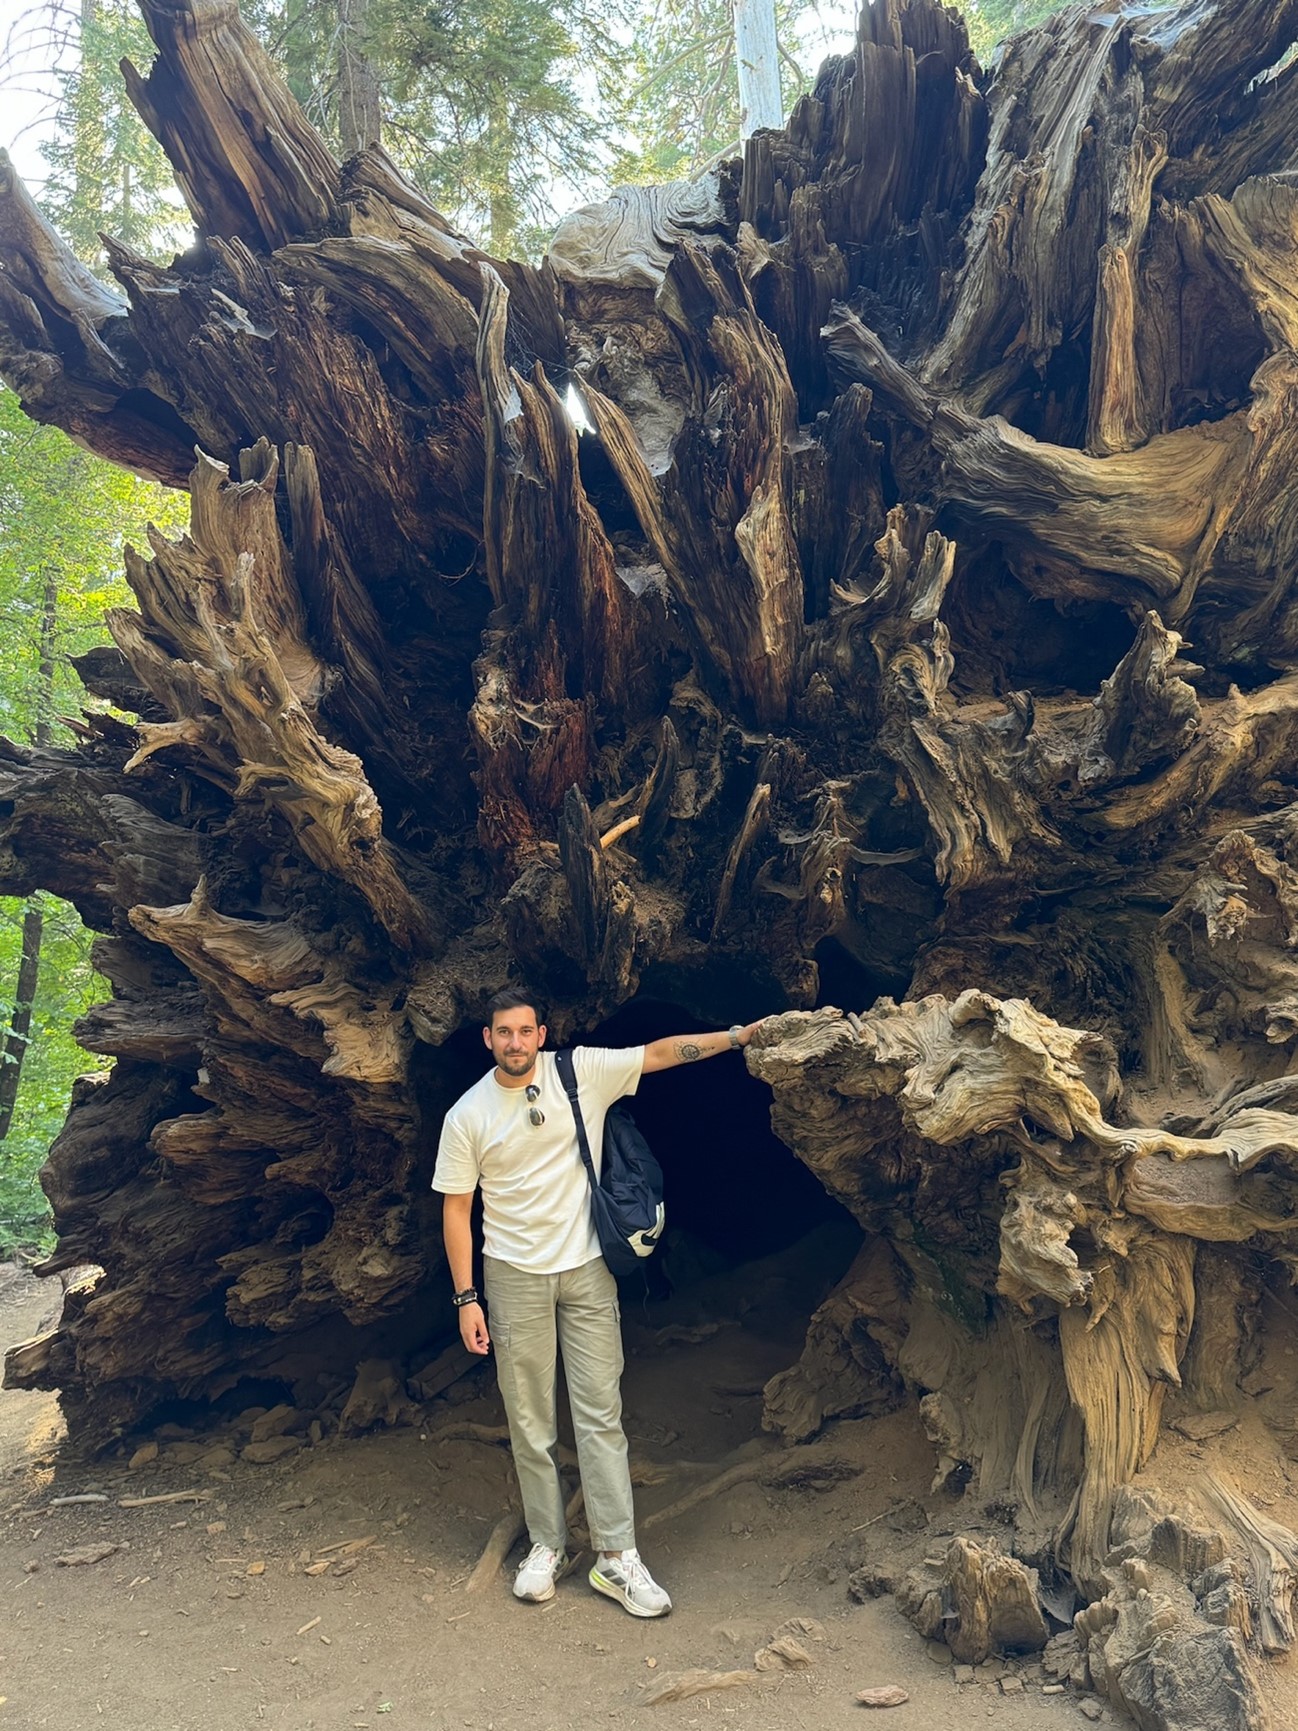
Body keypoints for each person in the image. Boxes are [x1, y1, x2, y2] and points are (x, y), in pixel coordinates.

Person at [432, 988, 764, 1617]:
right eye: (503, 1033)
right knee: (529, 1422)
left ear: (541, 1032)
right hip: (512, 1276)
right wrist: (466, 1298)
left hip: (586, 1272)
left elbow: (660, 1054)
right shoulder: (467, 1114)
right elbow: (456, 1208)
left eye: (525, 1031)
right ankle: (547, 1546)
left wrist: (737, 1036)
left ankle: (616, 1556)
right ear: (487, 1039)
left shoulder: (576, 1071)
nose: (515, 1043)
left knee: (600, 1415)